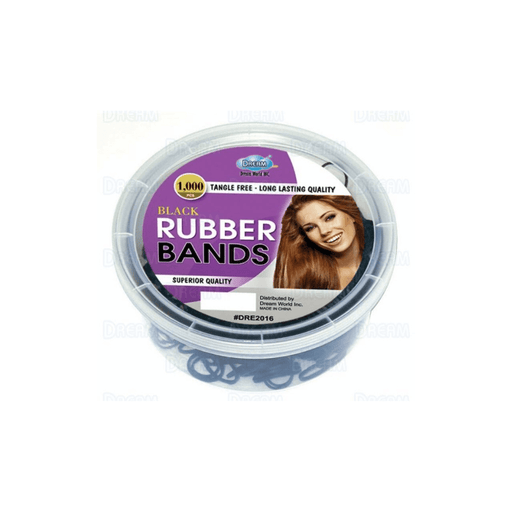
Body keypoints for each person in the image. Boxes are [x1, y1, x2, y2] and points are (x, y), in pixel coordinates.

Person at [273, 195, 365, 290]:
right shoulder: (309, 280)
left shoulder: (376, 260)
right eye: (310, 228)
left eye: (329, 217)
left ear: (351, 214)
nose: (324, 231)